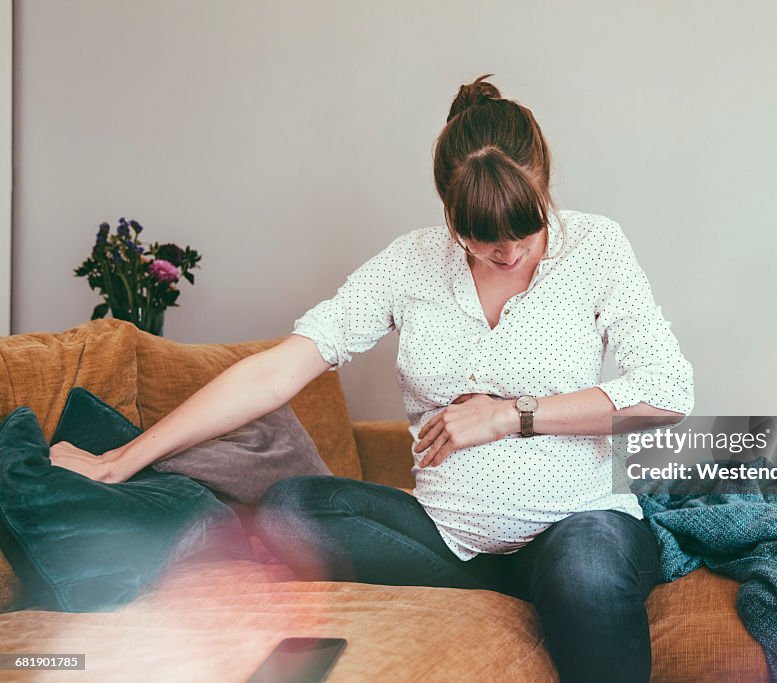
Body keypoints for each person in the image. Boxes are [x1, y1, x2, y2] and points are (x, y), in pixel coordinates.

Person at [52, 75, 694, 682]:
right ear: (449, 214)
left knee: (583, 569)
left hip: (577, 522)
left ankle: (554, 581)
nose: (507, 252)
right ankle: (508, 588)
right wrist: (119, 461)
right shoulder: (409, 264)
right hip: (451, 542)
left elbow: (667, 391)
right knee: (292, 508)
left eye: (523, 232)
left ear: (546, 185)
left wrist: (509, 413)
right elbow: (277, 371)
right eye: (480, 238)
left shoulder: (596, 247)